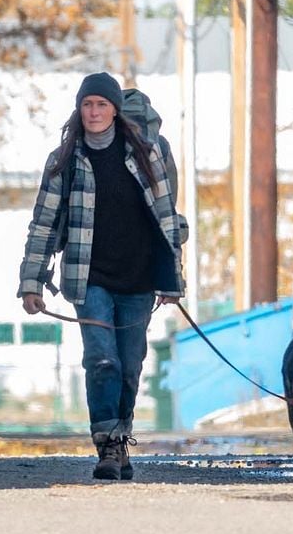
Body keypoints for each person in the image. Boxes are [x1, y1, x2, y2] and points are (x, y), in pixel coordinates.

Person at [18, 72, 185, 481]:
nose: (93, 112)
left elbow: (166, 217)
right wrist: (31, 281)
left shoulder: (147, 153)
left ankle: (121, 436)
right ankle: (107, 444)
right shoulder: (65, 159)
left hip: (140, 278)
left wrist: (172, 277)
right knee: (102, 360)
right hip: (88, 277)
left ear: (114, 111)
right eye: (87, 104)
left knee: (129, 364)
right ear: (79, 109)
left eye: (101, 105)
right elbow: (43, 224)